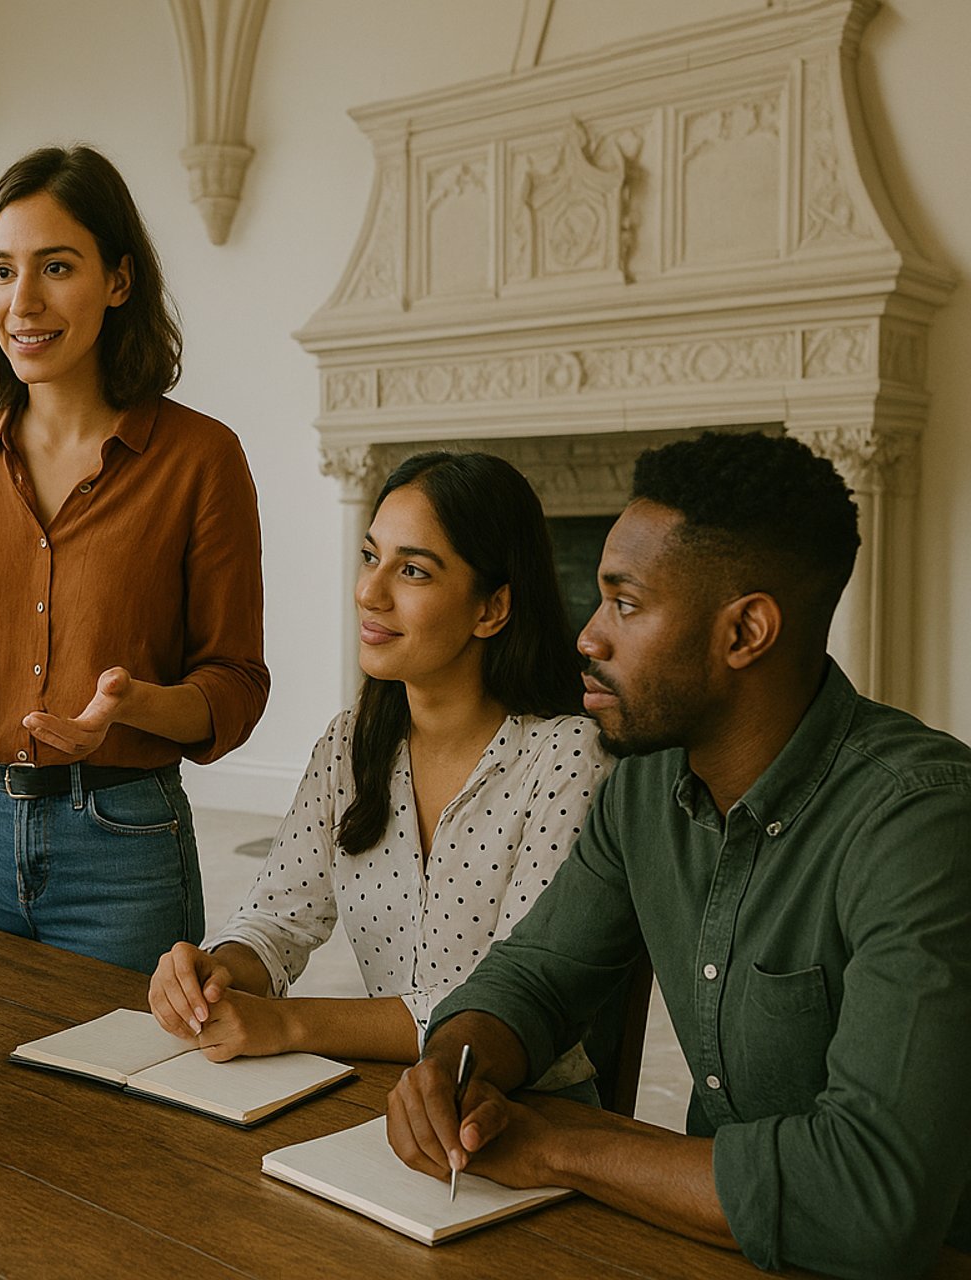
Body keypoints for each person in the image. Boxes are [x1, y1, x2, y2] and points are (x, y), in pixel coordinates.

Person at [387, 432, 971, 1276]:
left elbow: (871, 1201)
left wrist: (563, 1147)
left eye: (625, 604)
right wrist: (451, 1066)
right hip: (714, 1244)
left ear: (746, 632)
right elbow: (535, 978)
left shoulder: (922, 826)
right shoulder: (641, 789)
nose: (587, 637)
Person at [0, 146, 268, 973]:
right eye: (1, 271)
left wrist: (134, 704)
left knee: (123, 1094)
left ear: (119, 279)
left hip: (127, 847)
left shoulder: (202, 459)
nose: (21, 301)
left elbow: (237, 684)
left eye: (55, 266)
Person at [149, 452, 609, 1082]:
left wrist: (288, 1023)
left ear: (491, 609)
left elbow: (504, 1002)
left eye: (413, 570)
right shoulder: (349, 746)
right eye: (371, 557)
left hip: (524, 1114)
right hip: (383, 1095)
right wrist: (218, 972)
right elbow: (278, 917)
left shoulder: (566, 758)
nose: (369, 591)